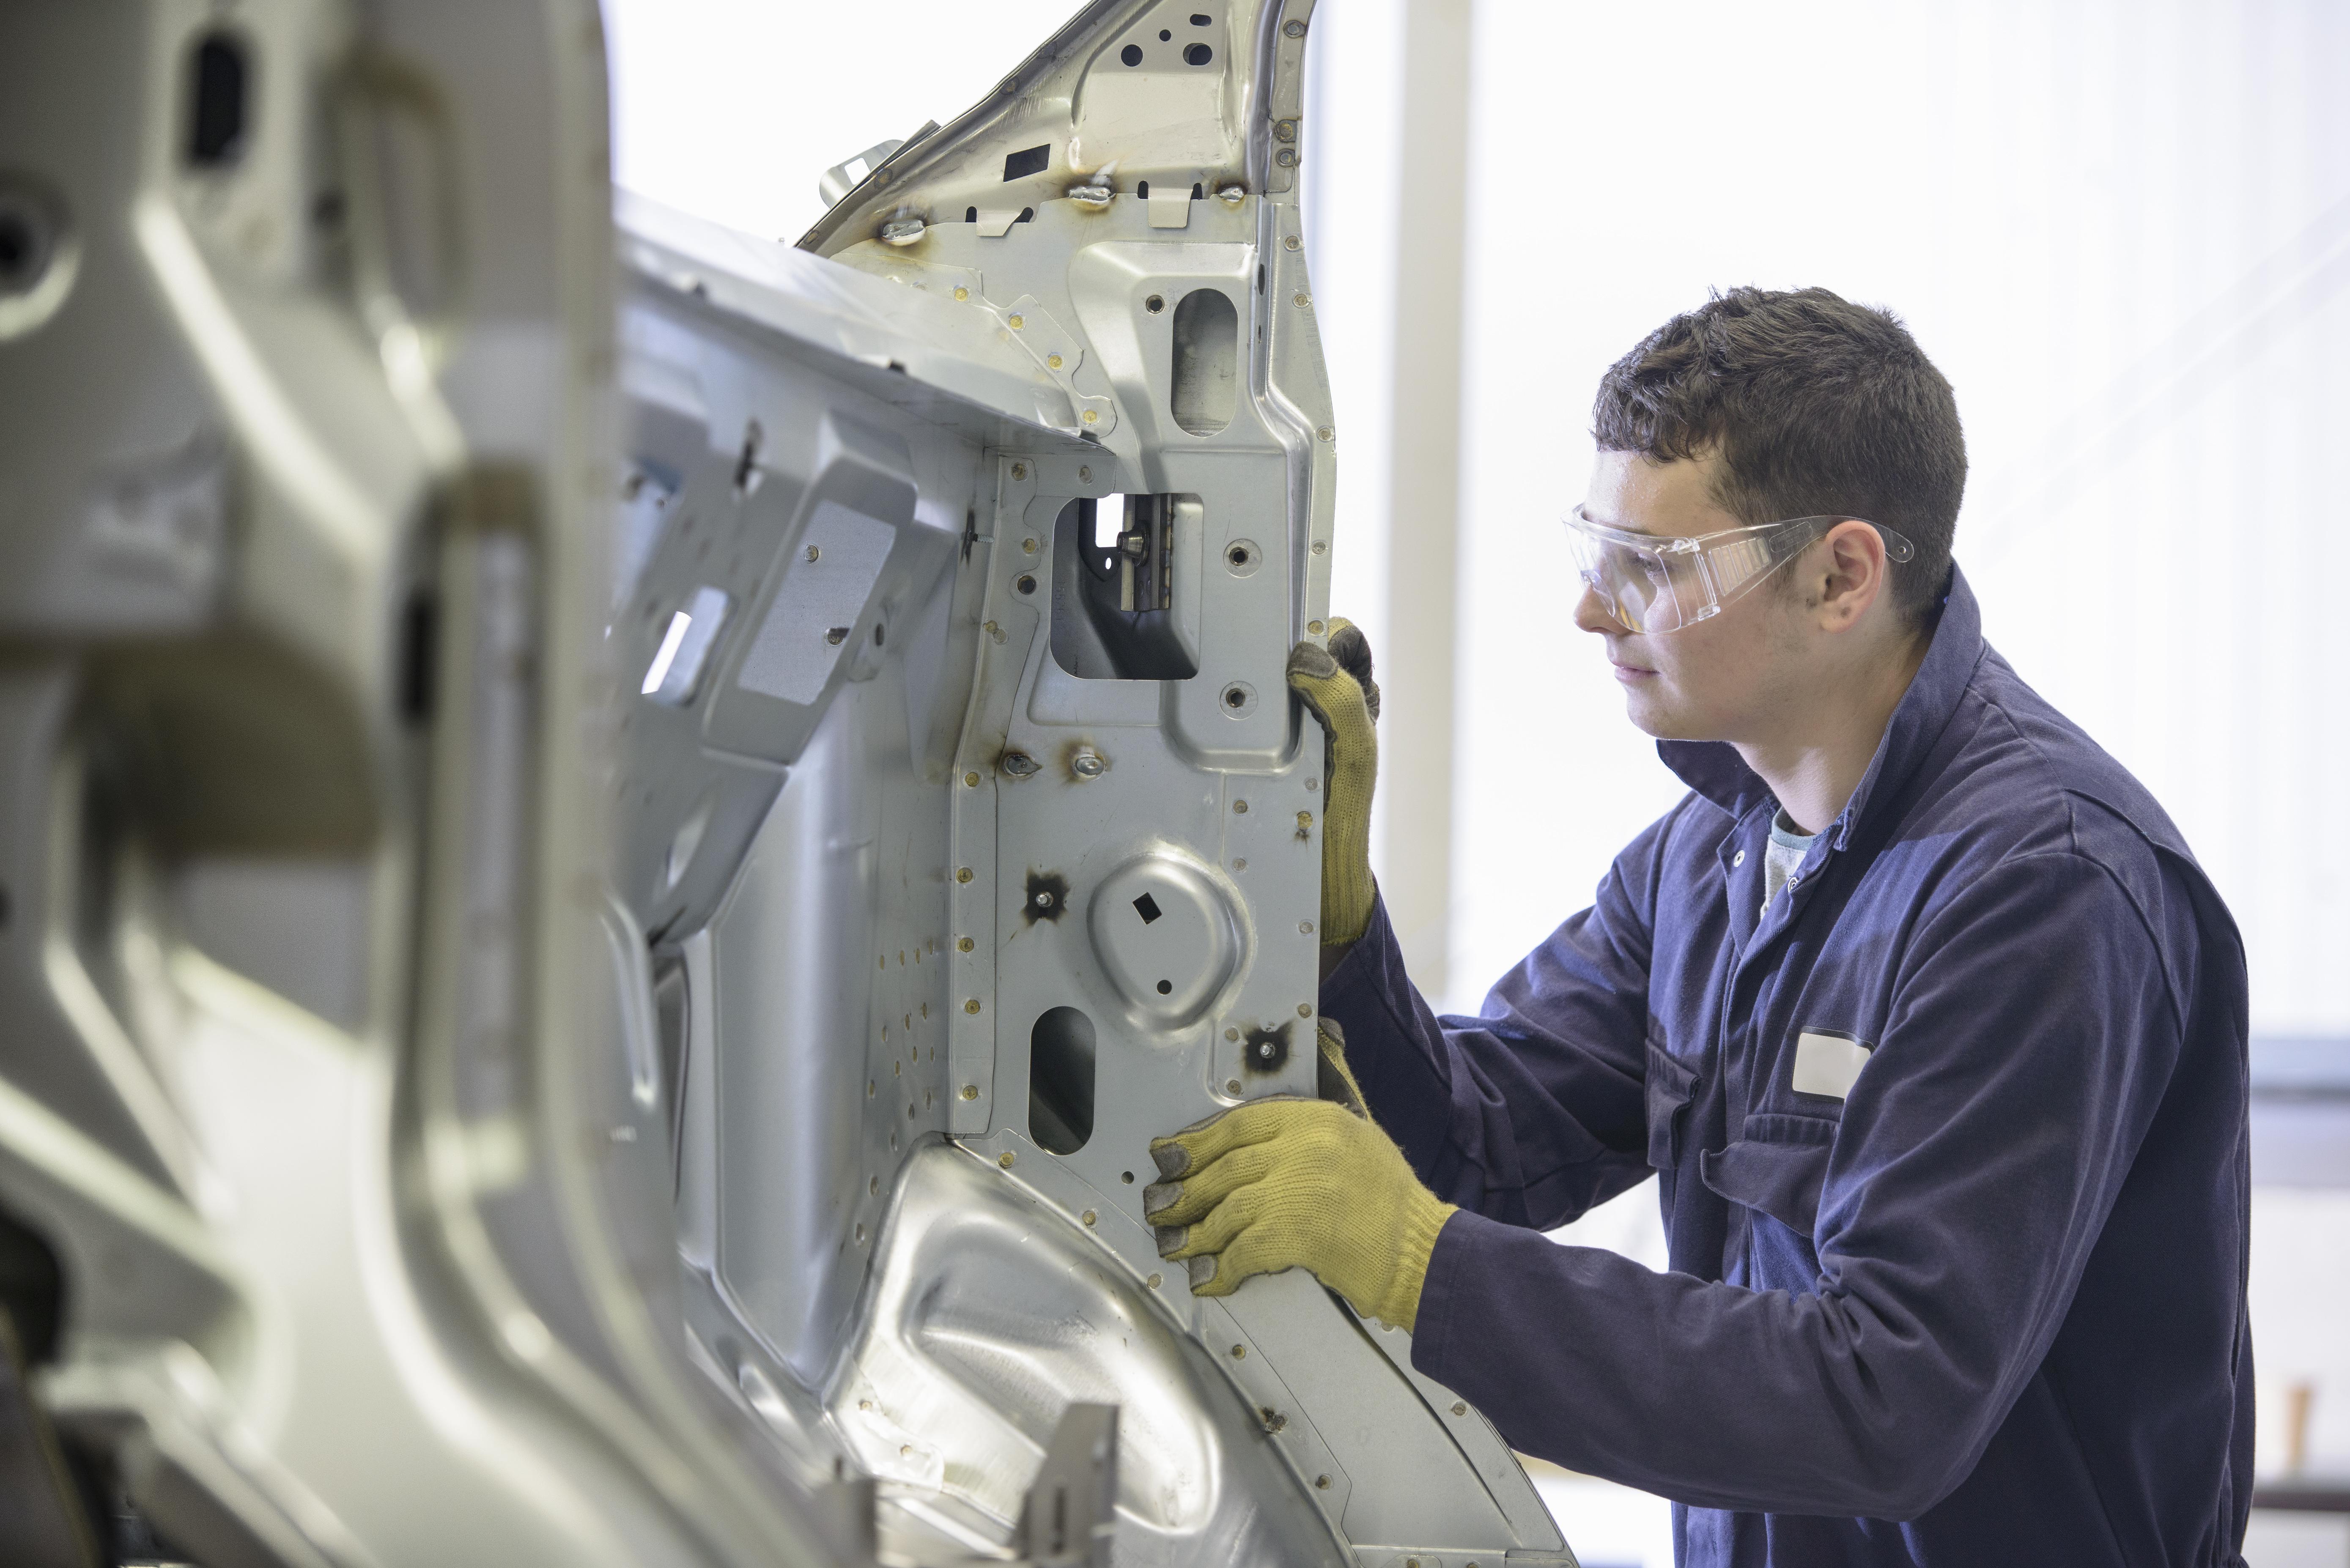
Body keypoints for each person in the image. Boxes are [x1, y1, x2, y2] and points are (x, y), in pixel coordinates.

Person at [1144, 287, 2253, 1566]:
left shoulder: (2044, 889)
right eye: (1593, 549)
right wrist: (1333, 930)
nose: (1593, 609)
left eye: (1654, 567)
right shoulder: (1710, 859)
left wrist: (1416, 1264)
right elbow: (1480, 1139)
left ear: (1842, 575)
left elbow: (1883, 1402)